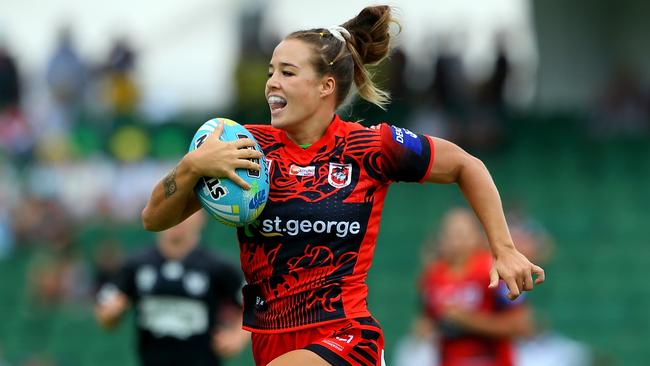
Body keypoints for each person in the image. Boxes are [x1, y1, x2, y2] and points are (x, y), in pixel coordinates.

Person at [141, 5, 545, 366]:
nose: (271, 84)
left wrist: (504, 249)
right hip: (271, 342)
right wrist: (192, 166)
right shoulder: (246, 148)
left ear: (325, 86)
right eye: (270, 73)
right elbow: (154, 218)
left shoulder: (370, 147)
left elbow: (466, 165)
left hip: (347, 337)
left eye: (287, 72)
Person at [94, 211, 249, 366]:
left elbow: (257, 303)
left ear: (201, 218)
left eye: (185, 210)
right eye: (172, 208)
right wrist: (110, 314)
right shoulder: (135, 265)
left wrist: (238, 337)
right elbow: (105, 311)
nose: (177, 217)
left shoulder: (218, 267)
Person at [418, 208, 535, 366]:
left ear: (478, 236)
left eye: (461, 234)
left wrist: (468, 321)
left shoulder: (494, 270)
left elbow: (520, 325)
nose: (455, 241)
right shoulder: (433, 275)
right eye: (450, 234)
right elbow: (426, 320)